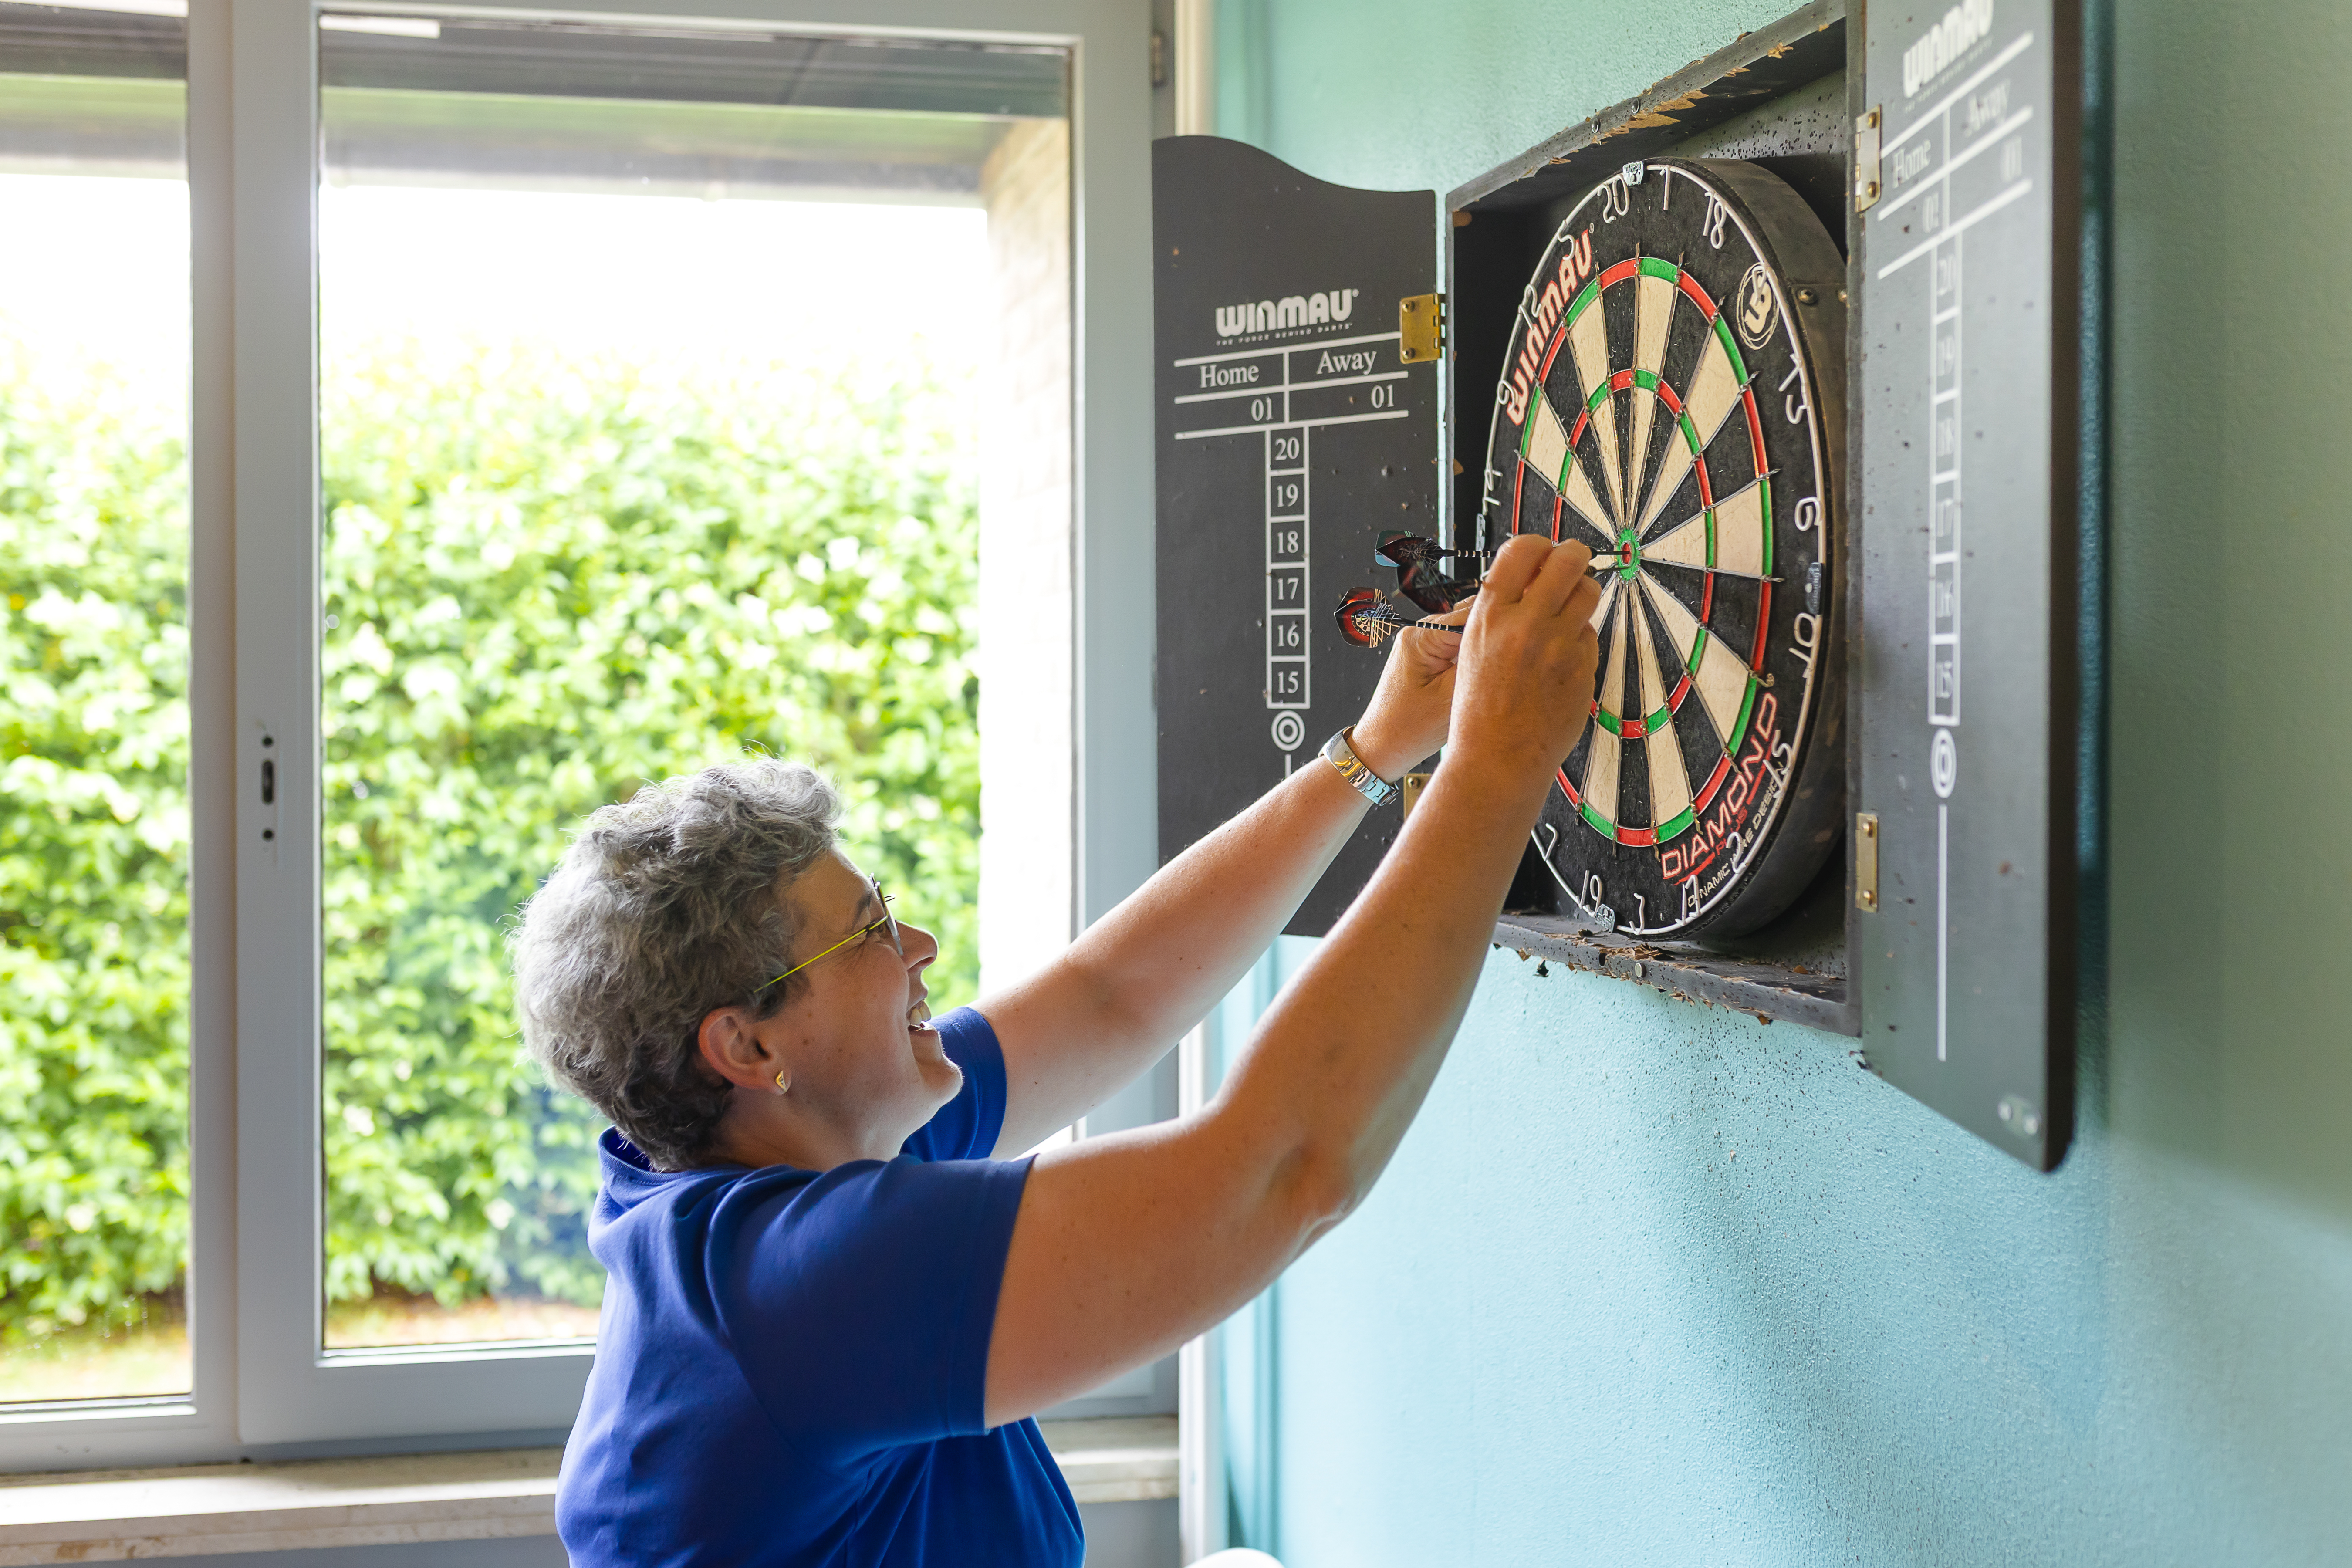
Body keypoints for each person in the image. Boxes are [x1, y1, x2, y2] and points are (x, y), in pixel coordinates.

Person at [512, 534, 1601, 1566]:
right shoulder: (792, 1288)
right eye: (872, 931)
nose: (920, 947)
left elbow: (1110, 997)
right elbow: (1281, 1175)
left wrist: (1374, 753)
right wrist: (1498, 762)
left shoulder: (811, 1150)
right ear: (747, 1046)